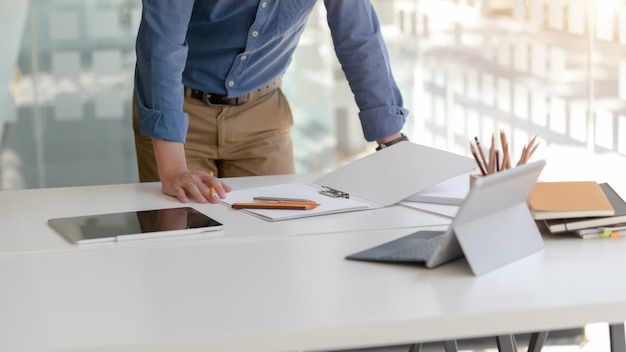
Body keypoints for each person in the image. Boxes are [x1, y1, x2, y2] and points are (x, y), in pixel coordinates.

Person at [133, 0, 409, 204]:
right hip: (177, 111)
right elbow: (161, 46)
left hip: (263, 116)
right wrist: (175, 170)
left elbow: (358, 38)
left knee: (277, 240)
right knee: (183, 241)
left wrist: (392, 144)